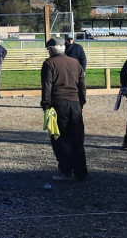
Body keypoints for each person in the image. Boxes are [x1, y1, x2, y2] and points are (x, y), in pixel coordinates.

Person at [40, 37, 87, 181]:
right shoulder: (75, 63)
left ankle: (66, 171)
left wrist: (46, 105)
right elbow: (82, 85)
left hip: (59, 103)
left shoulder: (49, 63)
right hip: (75, 103)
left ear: (52, 50)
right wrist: (81, 102)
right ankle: (81, 172)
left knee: (61, 138)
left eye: (48, 49)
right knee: (77, 138)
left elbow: (47, 86)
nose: (48, 52)